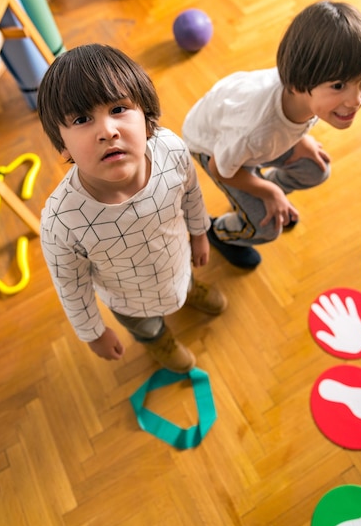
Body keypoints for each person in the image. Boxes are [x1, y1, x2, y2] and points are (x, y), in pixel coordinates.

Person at [37, 43, 227, 374]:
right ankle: (160, 342)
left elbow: (192, 193)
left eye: (119, 109)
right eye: (83, 119)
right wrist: (93, 333)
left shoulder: (170, 150)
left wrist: (199, 233)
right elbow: (70, 285)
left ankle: (189, 292)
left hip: (177, 261)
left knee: (185, 280)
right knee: (148, 327)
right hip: (130, 301)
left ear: (146, 116)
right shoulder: (61, 222)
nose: (107, 130)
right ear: (62, 143)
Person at [182, 0, 361, 269]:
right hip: (214, 148)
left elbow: (289, 121)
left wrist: (301, 138)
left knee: (316, 169)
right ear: (300, 83)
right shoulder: (254, 129)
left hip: (253, 143)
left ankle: (261, 197)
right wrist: (270, 191)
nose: (356, 99)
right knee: (266, 229)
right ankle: (220, 233)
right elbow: (221, 169)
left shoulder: (307, 92)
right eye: (339, 85)